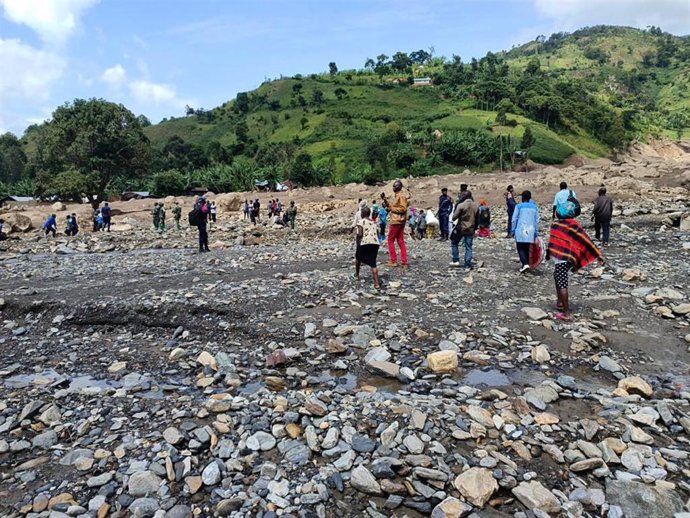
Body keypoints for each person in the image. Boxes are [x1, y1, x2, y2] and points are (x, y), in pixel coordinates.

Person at [547, 214, 604, 321]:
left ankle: (567, 313)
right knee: (557, 276)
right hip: (567, 257)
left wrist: (598, 255)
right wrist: (598, 254)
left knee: (562, 282)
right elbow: (585, 240)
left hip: (561, 258)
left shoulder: (555, 224)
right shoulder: (574, 225)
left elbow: (553, 241)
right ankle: (560, 302)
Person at [511, 190, 540, 273]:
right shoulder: (534, 207)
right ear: (530, 198)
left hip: (521, 229)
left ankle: (525, 264)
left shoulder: (519, 206)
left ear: (522, 198)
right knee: (527, 248)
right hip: (530, 230)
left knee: (520, 247)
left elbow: (514, 219)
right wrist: (536, 231)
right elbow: (537, 220)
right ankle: (526, 264)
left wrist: (513, 230)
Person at [450, 191, 479, 269]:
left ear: (464, 197)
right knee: (468, 247)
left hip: (460, 228)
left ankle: (456, 260)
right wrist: (475, 228)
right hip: (470, 229)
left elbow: (454, 217)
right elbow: (477, 219)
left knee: (454, 243)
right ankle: (467, 264)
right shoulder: (475, 206)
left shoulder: (461, 205)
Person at [354, 206, 381, 289]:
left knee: (358, 257)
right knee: (373, 263)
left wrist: (357, 243)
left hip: (365, 242)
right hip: (375, 243)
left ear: (363, 213)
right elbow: (377, 233)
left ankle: (357, 274)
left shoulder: (360, 222)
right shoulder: (374, 223)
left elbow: (360, 234)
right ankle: (376, 283)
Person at [386, 180, 409, 268]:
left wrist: (392, 209)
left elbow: (403, 209)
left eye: (395, 186)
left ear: (399, 187)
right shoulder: (398, 196)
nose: (393, 188)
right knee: (400, 241)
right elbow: (392, 206)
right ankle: (404, 262)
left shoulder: (401, 196)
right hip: (400, 221)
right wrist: (385, 199)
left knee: (390, 240)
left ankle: (393, 260)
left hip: (396, 221)